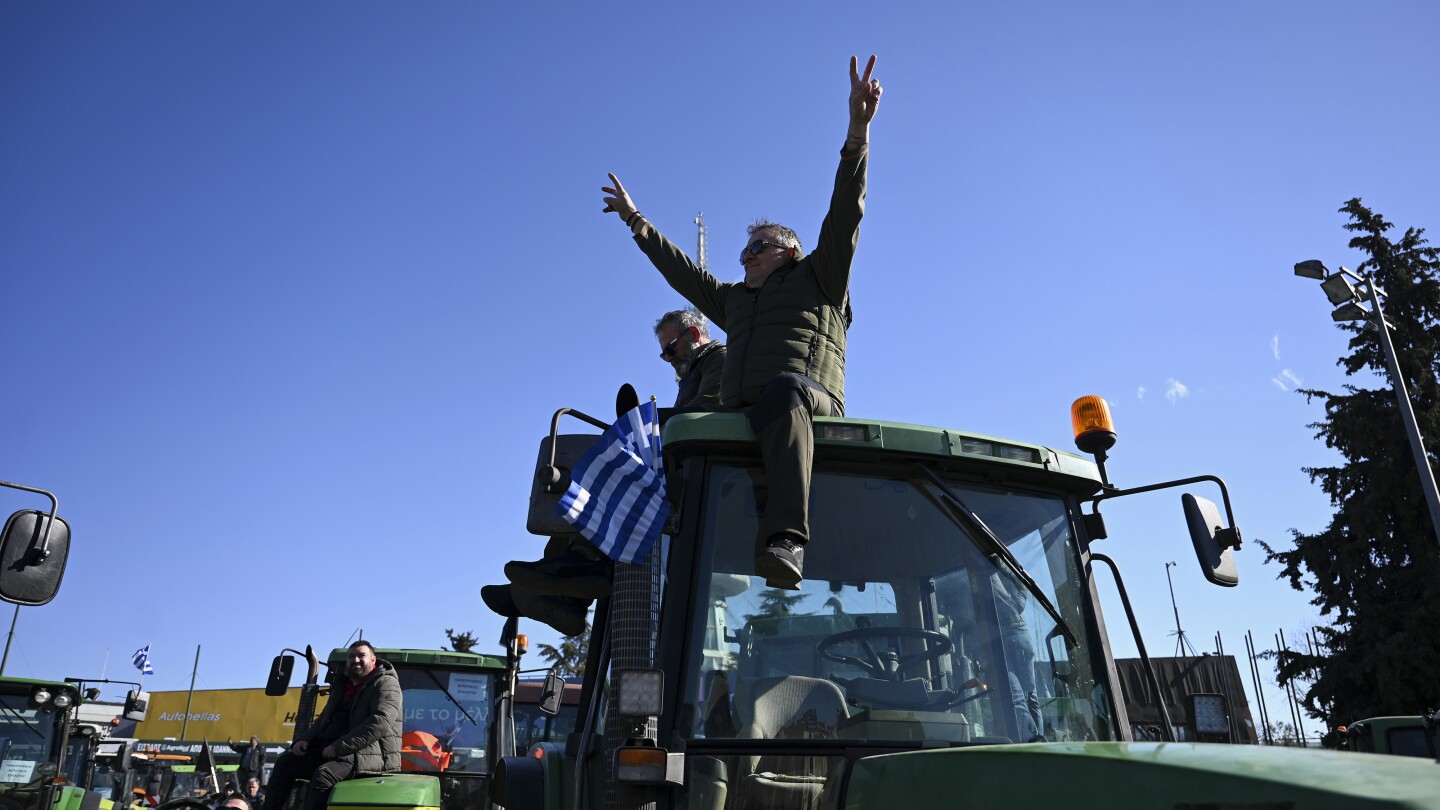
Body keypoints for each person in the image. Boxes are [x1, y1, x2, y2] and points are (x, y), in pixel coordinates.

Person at [602, 55, 882, 589]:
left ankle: (787, 541)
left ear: (789, 250)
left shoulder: (820, 277)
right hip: (740, 413)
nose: (746, 256)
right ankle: (584, 575)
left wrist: (858, 132)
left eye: (758, 247)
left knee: (783, 392)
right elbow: (682, 272)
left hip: (806, 397)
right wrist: (637, 222)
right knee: (658, 447)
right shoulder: (732, 300)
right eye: (744, 250)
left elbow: (846, 212)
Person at [263, 641, 402, 810]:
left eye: (361, 656)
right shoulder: (342, 685)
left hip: (366, 753)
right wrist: (305, 738)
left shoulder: (385, 683)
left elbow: (380, 721)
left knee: (324, 776)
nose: (356, 660)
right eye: (351, 656)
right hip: (333, 751)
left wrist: (339, 747)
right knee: (285, 763)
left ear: (373, 660)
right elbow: (324, 719)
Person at [656, 308, 726, 409]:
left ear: (694, 334)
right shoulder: (689, 377)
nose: (669, 358)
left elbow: (704, 407)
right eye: (664, 355)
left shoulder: (719, 357)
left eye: (670, 349)